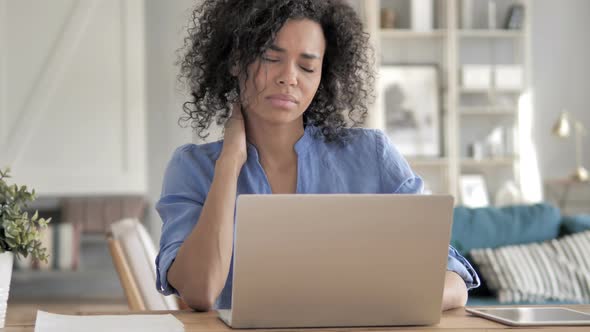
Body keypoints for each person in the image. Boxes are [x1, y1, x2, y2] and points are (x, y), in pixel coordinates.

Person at [155, 0, 480, 312]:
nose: (289, 77)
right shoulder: (192, 168)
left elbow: (452, 278)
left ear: (323, 74)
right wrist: (229, 163)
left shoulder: (372, 156)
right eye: (271, 57)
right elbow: (201, 290)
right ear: (237, 60)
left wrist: (366, 307)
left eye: (307, 66)